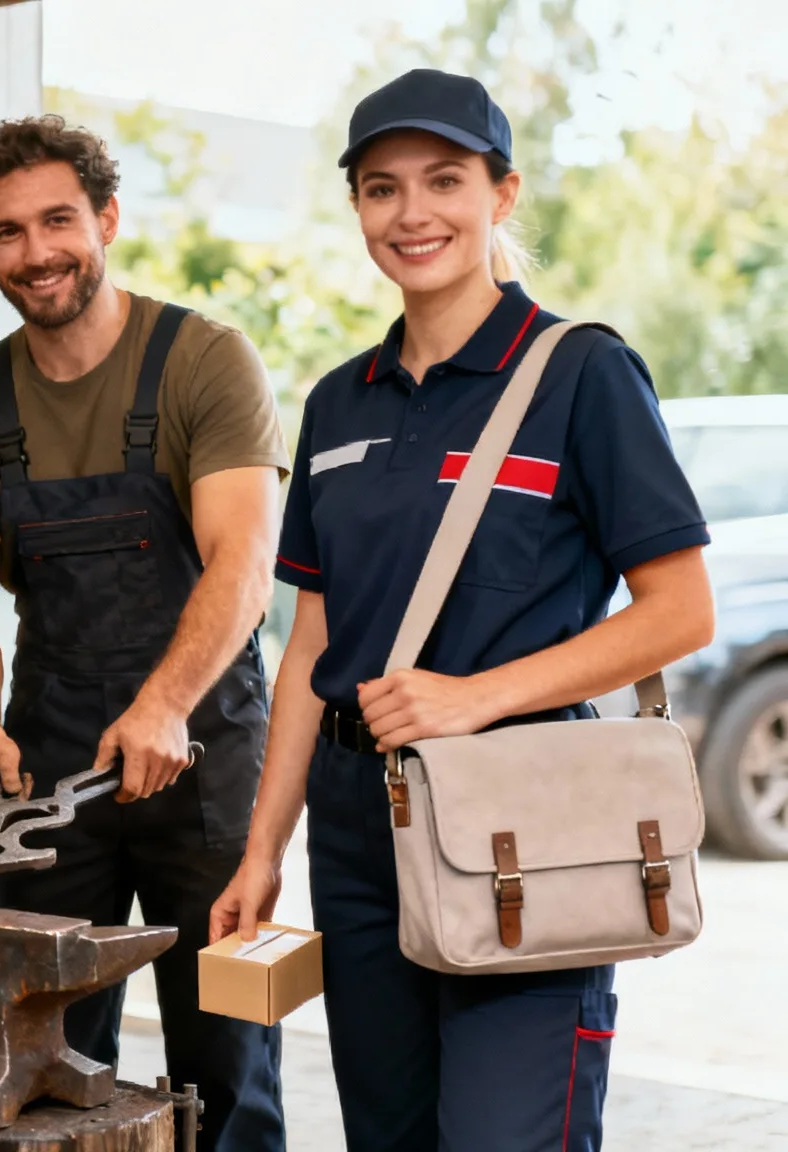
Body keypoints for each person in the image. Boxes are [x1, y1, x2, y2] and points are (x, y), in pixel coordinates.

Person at [209, 69, 716, 1151]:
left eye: (443, 180)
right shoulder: (334, 402)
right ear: (355, 209)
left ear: (502, 192)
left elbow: (678, 612)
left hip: (518, 813)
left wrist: (468, 700)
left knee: (501, 1136)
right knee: (384, 1135)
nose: (411, 214)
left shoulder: (581, 373)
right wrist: (263, 851)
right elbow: (310, 643)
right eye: (380, 188)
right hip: (355, 827)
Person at [0, 115, 288, 1151]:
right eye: (5, 233)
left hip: (206, 757)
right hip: (48, 773)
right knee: (44, 1064)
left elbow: (243, 564)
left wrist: (163, 704)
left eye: (56, 221)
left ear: (106, 219)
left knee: (227, 1059)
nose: (35, 253)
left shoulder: (202, 362)